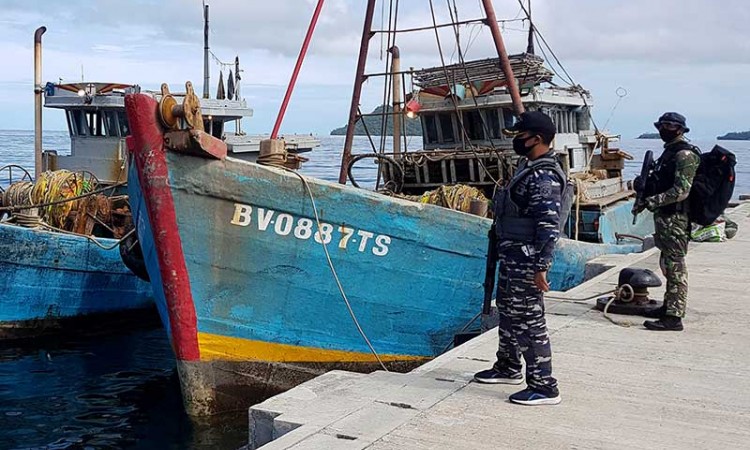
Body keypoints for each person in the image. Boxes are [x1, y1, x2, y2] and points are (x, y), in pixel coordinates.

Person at [474, 111, 564, 406]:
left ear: (536, 139)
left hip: (527, 260)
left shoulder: (544, 176)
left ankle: (544, 384)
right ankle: (508, 366)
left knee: (529, 320)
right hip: (511, 256)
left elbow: (548, 225)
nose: (515, 142)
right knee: (510, 314)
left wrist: (542, 267)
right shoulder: (528, 167)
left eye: (520, 137)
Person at [635, 112, 700, 331]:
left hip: (676, 218)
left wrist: (652, 201)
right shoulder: (669, 153)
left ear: (681, 129)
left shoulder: (684, 155)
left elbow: (681, 191)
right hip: (665, 218)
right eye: (662, 125)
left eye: (670, 126)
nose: (664, 129)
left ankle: (674, 317)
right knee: (667, 264)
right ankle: (669, 307)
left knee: (676, 267)